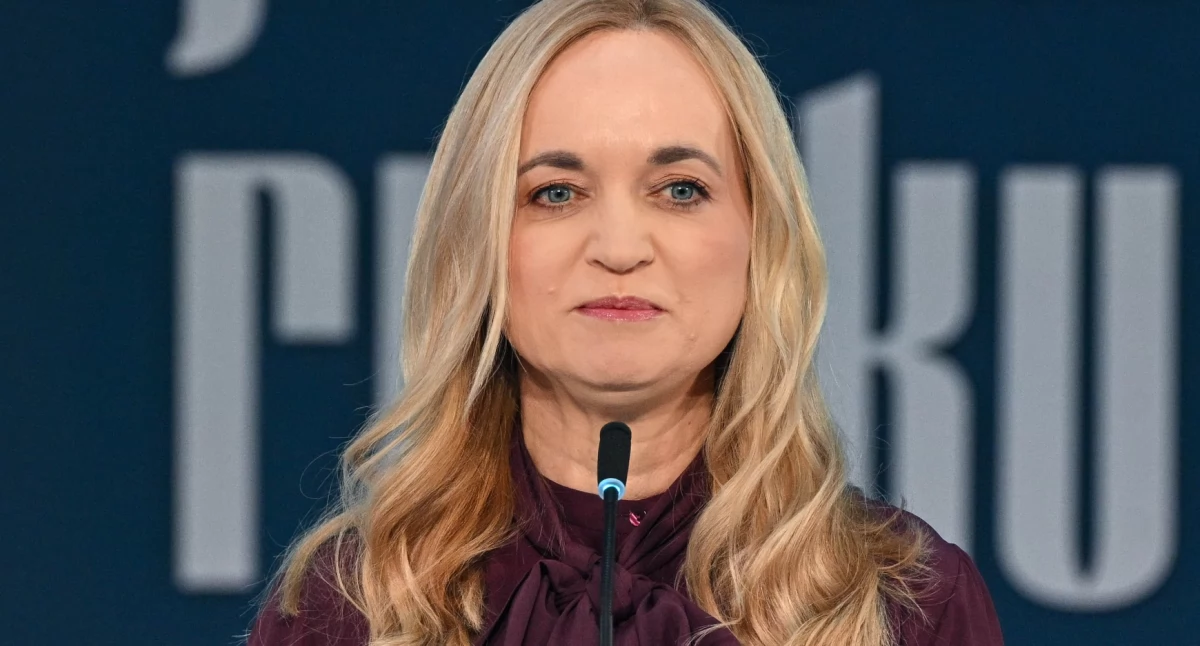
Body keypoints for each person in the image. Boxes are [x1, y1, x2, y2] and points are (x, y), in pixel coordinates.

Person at [247, 0, 1004, 644]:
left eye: (679, 190)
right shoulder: (346, 609)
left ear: (762, 236)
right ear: (476, 243)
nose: (618, 248)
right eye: (555, 193)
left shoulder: (907, 605)